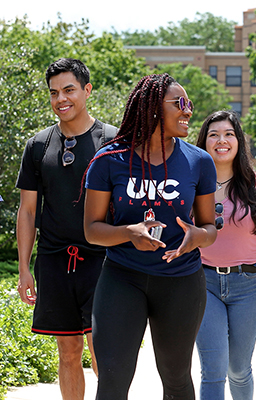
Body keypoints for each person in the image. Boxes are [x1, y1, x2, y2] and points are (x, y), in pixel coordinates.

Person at [84, 73, 217, 399]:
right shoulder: (109, 160)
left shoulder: (199, 161)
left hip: (181, 281)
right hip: (122, 278)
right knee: (113, 380)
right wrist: (129, 233)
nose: (188, 111)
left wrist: (196, 237)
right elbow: (91, 230)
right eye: (180, 104)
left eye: (189, 104)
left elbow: (210, 228)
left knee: (176, 379)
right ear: (152, 108)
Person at [15, 58, 116, 400]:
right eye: (54, 92)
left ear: (87, 90)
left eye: (69, 90)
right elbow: (28, 211)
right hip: (56, 261)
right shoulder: (38, 145)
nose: (61, 98)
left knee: (104, 350)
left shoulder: (114, 141)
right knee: (68, 351)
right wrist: (24, 268)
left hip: (104, 259)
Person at [194, 110, 256, 400]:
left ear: (239, 141)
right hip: (203, 284)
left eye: (229, 134)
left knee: (239, 368)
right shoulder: (192, 184)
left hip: (250, 285)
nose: (222, 140)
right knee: (213, 369)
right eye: (214, 134)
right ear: (204, 142)